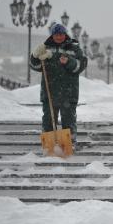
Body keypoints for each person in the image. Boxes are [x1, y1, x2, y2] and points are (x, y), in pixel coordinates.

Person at [29, 23, 87, 151]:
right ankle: (48, 148)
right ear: (52, 35)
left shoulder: (74, 48)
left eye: (61, 34)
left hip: (68, 93)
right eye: (56, 34)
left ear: (65, 34)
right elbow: (36, 67)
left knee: (68, 120)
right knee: (48, 120)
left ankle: (68, 146)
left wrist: (68, 61)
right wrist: (34, 56)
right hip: (49, 91)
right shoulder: (46, 47)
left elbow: (81, 65)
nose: (59, 37)